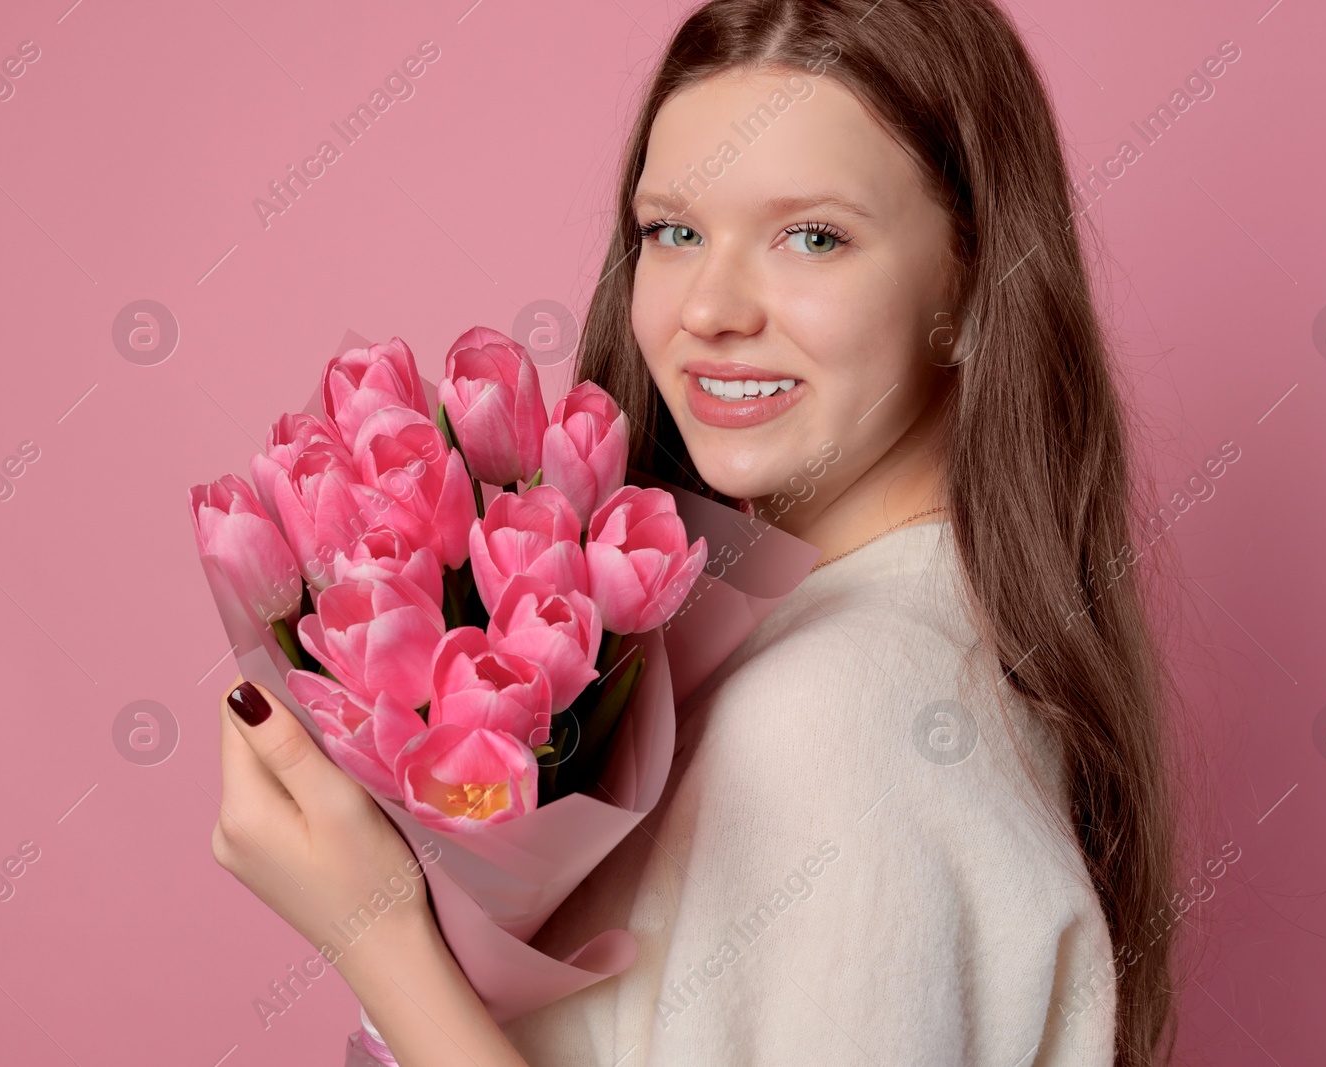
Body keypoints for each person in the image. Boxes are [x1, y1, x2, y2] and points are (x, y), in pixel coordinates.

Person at [212, 1, 1181, 1064]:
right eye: (673, 230)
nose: (709, 307)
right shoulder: (889, 647)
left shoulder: (831, 716)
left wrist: (381, 935)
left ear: (964, 280)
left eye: (812, 235)